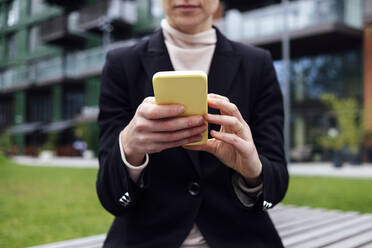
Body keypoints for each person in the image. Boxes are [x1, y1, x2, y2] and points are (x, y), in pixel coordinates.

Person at [97, 0, 288, 247]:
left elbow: (277, 183)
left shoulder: (257, 64)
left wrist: (253, 171)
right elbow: (109, 196)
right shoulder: (121, 64)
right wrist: (129, 150)